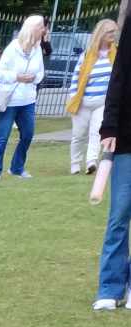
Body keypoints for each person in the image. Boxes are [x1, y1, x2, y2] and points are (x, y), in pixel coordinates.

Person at [92, 17, 131, 307]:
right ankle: (110, 287)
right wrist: (109, 127)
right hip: (128, 138)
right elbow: (120, 74)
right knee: (119, 213)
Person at [0, 16, 45, 181]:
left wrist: (33, 78)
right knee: (3, 136)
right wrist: (17, 77)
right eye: (41, 27)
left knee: (27, 134)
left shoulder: (37, 49)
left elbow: (40, 72)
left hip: (28, 100)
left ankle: (17, 168)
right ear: (32, 29)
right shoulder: (13, 48)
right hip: (10, 100)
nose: (44, 30)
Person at [68, 18, 117, 172]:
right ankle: (75, 163)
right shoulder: (87, 55)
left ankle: (91, 161)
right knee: (78, 134)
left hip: (102, 102)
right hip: (83, 101)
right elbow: (76, 77)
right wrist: (73, 96)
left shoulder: (115, 54)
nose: (113, 35)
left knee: (96, 132)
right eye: (110, 32)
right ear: (101, 34)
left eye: (114, 32)